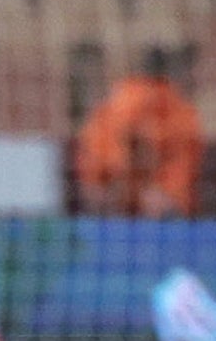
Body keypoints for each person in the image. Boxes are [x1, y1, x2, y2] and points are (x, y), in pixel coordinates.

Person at [73, 45, 202, 216]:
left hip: (124, 194)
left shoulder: (117, 101)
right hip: (133, 194)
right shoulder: (181, 112)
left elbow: (95, 159)